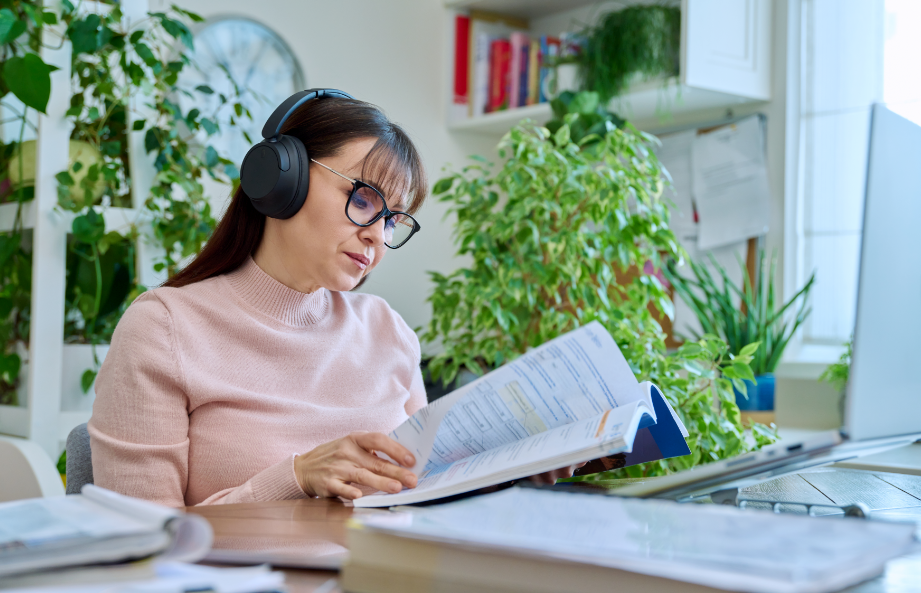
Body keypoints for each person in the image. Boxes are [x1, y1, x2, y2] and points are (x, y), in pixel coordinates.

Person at [89, 91, 577, 508]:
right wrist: (296, 477)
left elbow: (417, 494)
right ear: (281, 179)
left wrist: (510, 476)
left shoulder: (386, 329)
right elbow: (140, 546)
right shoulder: (164, 327)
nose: (378, 238)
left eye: (391, 220)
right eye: (363, 199)